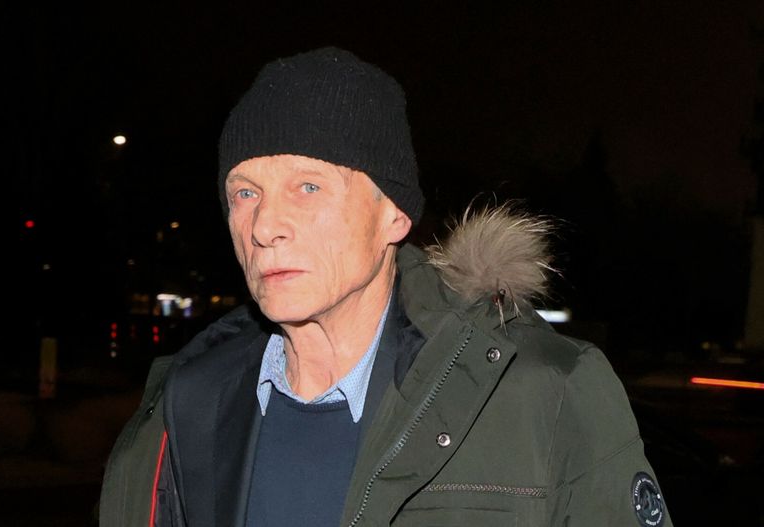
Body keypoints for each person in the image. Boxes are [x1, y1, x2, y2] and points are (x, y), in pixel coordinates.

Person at [100, 47, 670, 527]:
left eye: (308, 187)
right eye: (245, 193)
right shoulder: (180, 409)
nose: (264, 225)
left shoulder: (546, 391)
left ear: (393, 215)